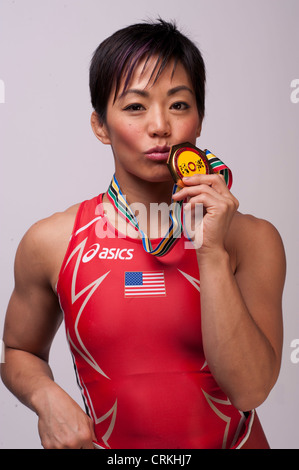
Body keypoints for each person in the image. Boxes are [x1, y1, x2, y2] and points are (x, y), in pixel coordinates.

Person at [1, 19, 286, 449]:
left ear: (200, 118)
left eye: (178, 105)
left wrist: (209, 250)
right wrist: (45, 396)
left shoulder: (252, 239)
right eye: (135, 107)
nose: (160, 126)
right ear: (100, 125)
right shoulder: (52, 241)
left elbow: (250, 391)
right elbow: (17, 351)